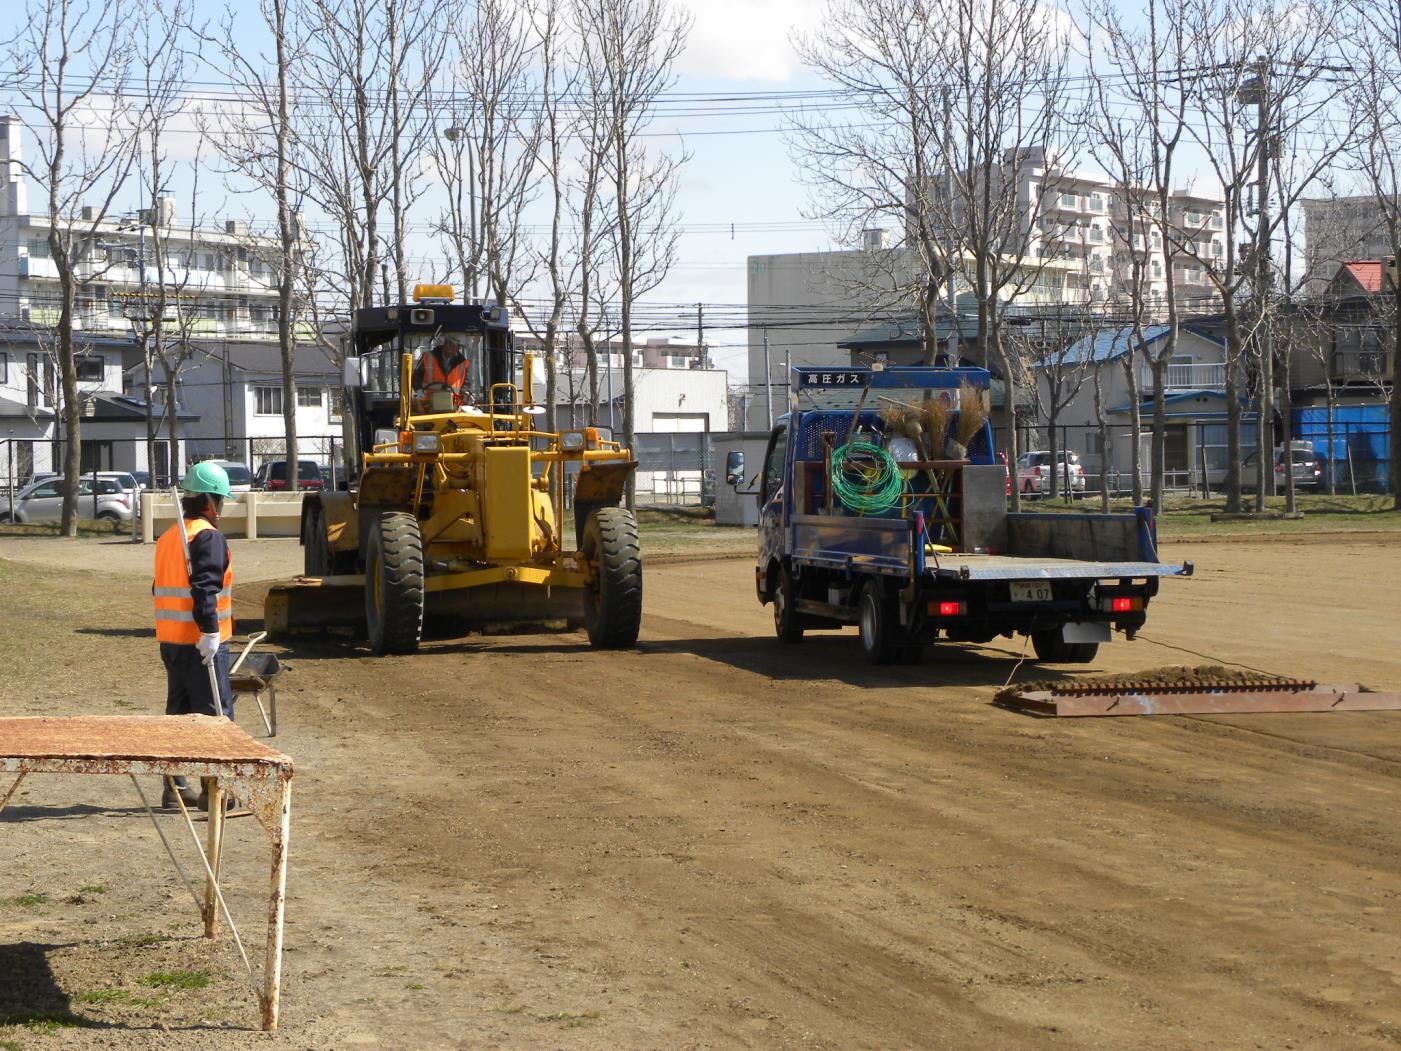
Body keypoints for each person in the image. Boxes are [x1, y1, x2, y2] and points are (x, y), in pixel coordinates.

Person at [152, 461, 235, 810]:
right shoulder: (207, 536)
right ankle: (215, 793)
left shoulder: (171, 537)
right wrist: (211, 632)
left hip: (171, 642)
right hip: (203, 644)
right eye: (222, 501)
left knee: (179, 717)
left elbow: (159, 587)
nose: (222, 509)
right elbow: (205, 589)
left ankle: (175, 788)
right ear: (210, 502)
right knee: (214, 718)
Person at [414, 337, 470, 413]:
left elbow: (466, 382)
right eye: (456, 347)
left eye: (458, 348)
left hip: (454, 408)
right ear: (447, 344)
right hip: (427, 407)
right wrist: (418, 389)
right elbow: (416, 377)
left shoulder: (462, 362)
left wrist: (466, 392)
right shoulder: (428, 357)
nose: (457, 351)